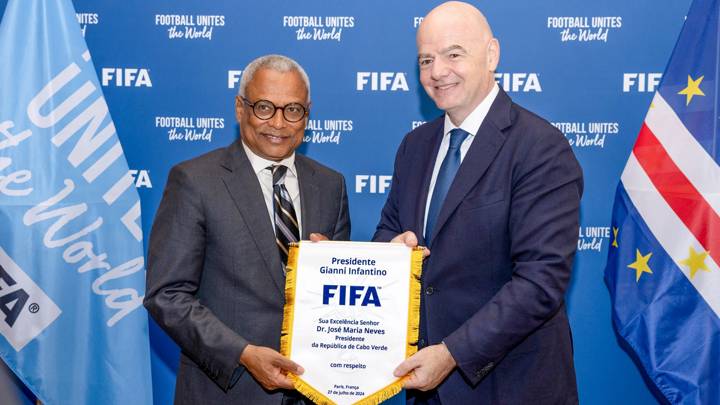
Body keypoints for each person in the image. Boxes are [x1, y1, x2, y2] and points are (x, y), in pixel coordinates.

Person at [374, 2, 583, 403]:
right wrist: (391, 250)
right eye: (426, 59)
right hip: (427, 387)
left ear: (492, 55)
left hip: (512, 386)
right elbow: (388, 229)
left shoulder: (541, 148)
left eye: (454, 54)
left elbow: (540, 282)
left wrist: (452, 354)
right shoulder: (414, 147)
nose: (437, 71)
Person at [144, 54, 350, 404]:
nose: (279, 123)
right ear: (240, 108)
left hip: (312, 393)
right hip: (227, 390)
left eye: (293, 110)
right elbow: (166, 295)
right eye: (265, 107)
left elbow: (341, 298)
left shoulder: (330, 185)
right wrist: (243, 353)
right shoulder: (194, 181)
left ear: (308, 114)